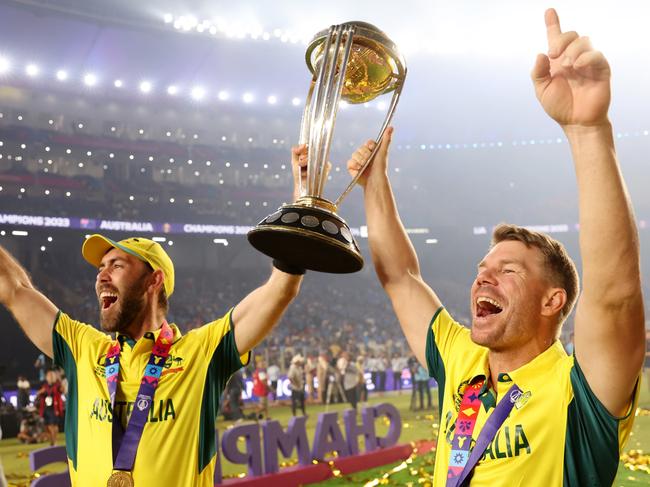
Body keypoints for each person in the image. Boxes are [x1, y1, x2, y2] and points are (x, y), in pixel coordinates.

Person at [347, 9, 644, 485]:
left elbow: (616, 295)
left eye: (510, 271)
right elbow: (401, 278)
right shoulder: (459, 358)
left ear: (554, 300)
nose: (484, 276)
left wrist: (588, 130)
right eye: (483, 266)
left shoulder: (579, 393)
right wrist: (374, 184)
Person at [0, 145, 309, 486]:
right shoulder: (84, 349)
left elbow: (281, 287)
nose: (101, 276)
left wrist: (302, 201)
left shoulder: (200, 353)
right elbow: (14, 289)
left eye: (116, 265)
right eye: (101, 268)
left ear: (153, 279)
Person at [36, 369, 65, 446]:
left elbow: (62, 390)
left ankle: (54, 441)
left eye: (52, 376)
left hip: (54, 408)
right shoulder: (44, 385)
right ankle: (52, 440)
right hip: (46, 408)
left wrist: (60, 380)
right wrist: (40, 392)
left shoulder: (57, 385)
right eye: (49, 376)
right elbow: (38, 393)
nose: (50, 377)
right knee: (48, 425)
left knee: (54, 425)